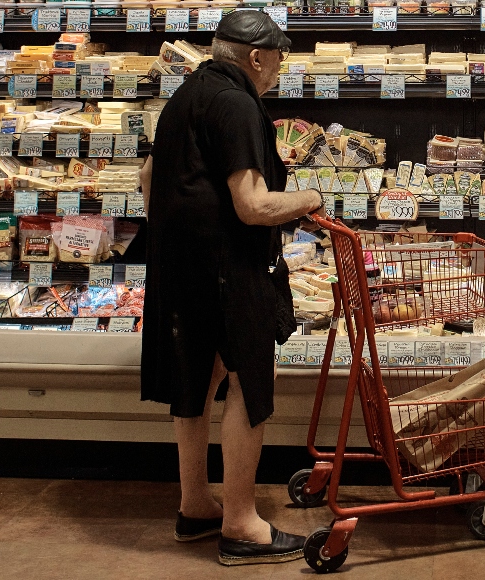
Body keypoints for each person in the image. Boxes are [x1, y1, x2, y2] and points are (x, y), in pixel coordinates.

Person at [138, 10, 324, 566]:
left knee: (197, 378)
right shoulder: (239, 104)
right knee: (247, 382)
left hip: (180, 269)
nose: (279, 69)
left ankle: (195, 503)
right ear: (256, 57)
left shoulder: (183, 97)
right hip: (229, 270)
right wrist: (308, 199)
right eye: (279, 58)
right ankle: (242, 524)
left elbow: (148, 181)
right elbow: (253, 204)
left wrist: (183, 233)